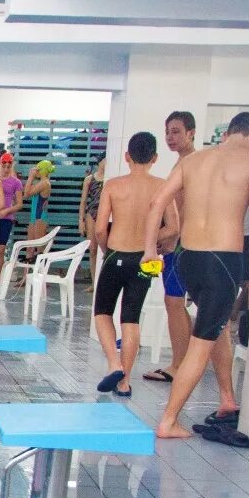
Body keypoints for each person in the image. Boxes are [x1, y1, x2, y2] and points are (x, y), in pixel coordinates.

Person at [142, 112, 249, 440]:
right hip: (222, 261)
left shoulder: (193, 161)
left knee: (213, 329)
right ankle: (168, 421)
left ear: (227, 132)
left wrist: (148, 250)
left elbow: (158, 202)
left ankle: (227, 398)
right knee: (201, 343)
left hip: (188, 257)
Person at [91, 133, 170, 399]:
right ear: (155, 158)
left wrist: (106, 251)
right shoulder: (162, 186)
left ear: (127, 157)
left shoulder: (113, 186)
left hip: (116, 254)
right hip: (146, 259)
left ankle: (114, 364)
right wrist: (152, 241)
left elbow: (100, 228)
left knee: (103, 312)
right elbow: (174, 227)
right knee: (131, 317)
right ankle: (124, 382)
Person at [142, 111, 198, 386]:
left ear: (191, 133)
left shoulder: (190, 164)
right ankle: (184, 362)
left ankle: (179, 365)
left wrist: (170, 238)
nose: (170, 137)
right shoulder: (184, 164)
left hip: (182, 246)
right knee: (176, 303)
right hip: (182, 245)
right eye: (168, 132)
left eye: (176, 131)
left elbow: (185, 210)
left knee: (174, 302)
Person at [0, 153, 23, 289]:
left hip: (6, 219)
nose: (6, 168)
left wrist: (7, 211)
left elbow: (19, 204)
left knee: (1, 249)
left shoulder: (16, 182)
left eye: (9, 166)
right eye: (4, 165)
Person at [80, 157, 104, 281]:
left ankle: (101, 280)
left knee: (105, 248)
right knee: (93, 248)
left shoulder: (110, 179)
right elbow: (83, 201)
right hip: (92, 213)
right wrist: (81, 221)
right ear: (100, 162)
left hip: (105, 213)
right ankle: (94, 281)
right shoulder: (89, 179)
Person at [24, 159, 53, 240]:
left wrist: (31, 177)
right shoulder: (42, 183)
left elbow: (26, 194)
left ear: (42, 171)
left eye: (38, 169)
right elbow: (27, 190)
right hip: (35, 217)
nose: (36, 171)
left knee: (39, 250)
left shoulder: (44, 183)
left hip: (39, 218)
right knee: (30, 249)